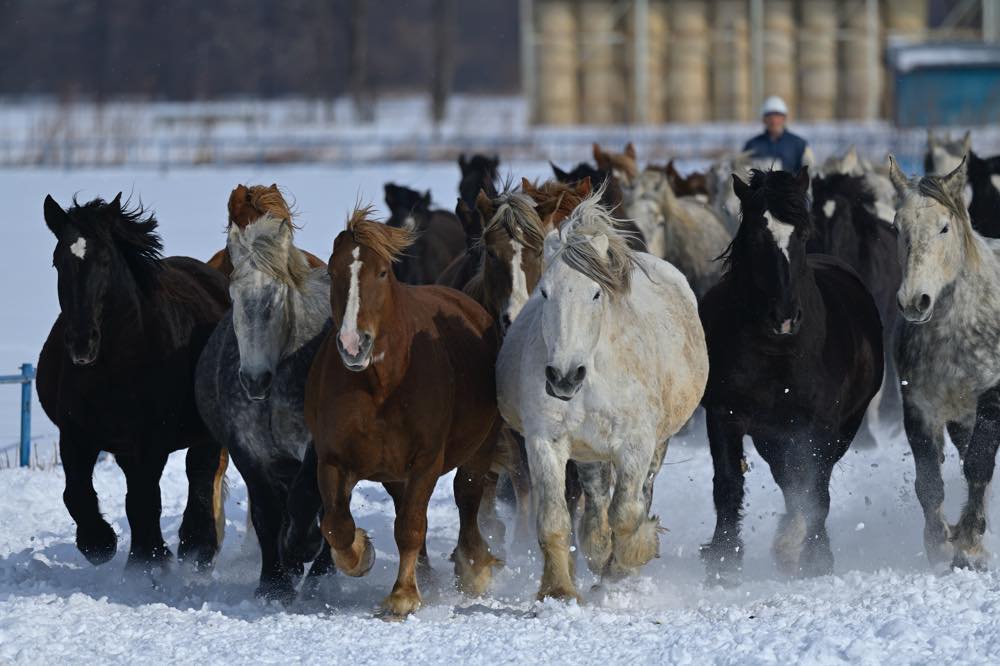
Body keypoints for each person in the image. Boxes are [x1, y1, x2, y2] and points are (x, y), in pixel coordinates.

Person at [743, 96, 811, 173]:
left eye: (778, 116)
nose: (774, 120)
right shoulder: (752, 145)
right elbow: (744, 172)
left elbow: (809, 172)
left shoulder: (799, 144)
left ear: (784, 118)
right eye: (770, 116)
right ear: (764, 119)